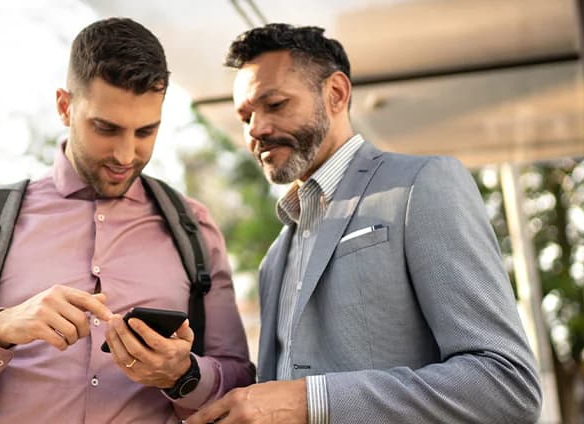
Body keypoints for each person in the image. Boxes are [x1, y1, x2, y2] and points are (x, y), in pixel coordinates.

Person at [0, 17, 254, 423]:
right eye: (106, 128)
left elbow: (240, 388)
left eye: (145, 131)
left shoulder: (194, 228)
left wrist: (183, 375)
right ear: (65, 107)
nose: (125, 154)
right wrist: (1, 329)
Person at [187, 24, 541, 424]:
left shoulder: (422, 184)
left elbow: (506, 384)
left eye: (275, 104)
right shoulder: (274, 261)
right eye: (246, 116)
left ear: (336, 94)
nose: (256, 129)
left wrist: (310, 401)